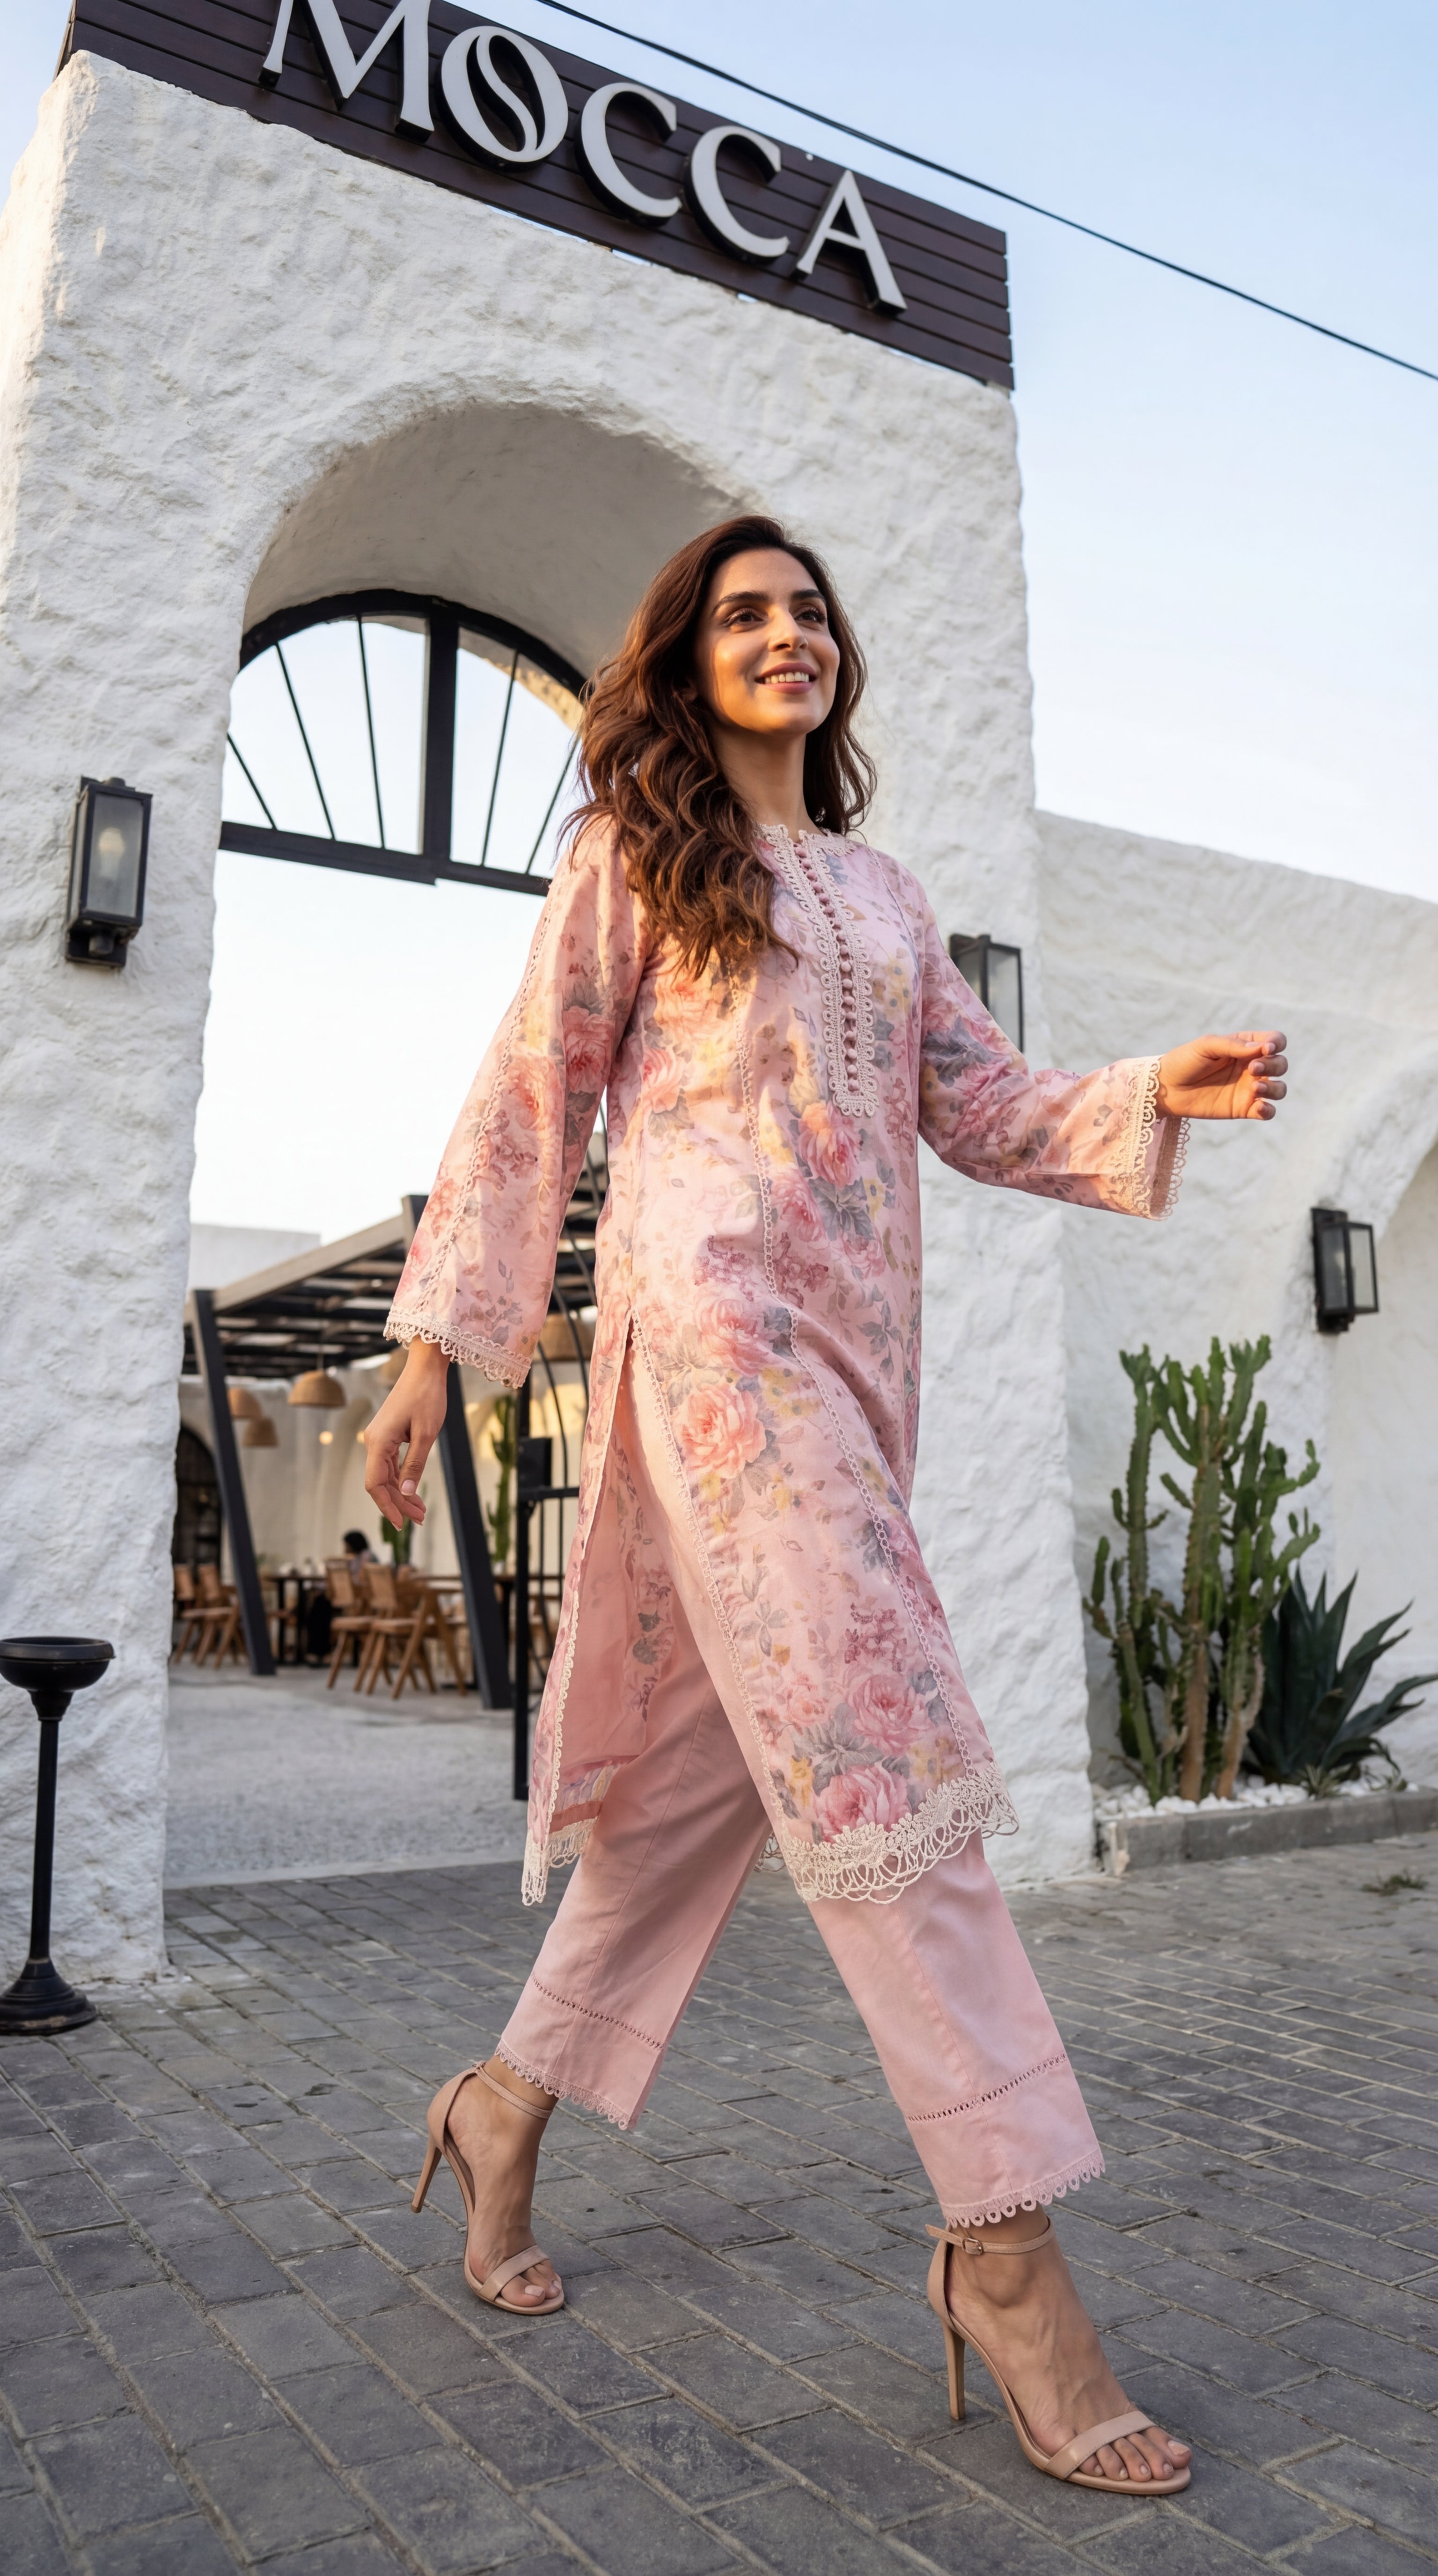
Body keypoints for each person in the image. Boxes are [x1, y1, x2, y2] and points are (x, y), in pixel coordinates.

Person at [365, 516, 1289, 2495]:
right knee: (889, 1762)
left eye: (806, 612)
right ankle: (1009, 2241)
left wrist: (1159, 1091)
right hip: (715, 1352)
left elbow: (979, 1103)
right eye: (742, 614)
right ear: (686, 665)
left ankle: (504, 2101)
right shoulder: (636, 858)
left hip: (852, 1390)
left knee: (699, 1792)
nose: (785, 634)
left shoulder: (885, 891)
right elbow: (532, 1095)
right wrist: (440, 1343)